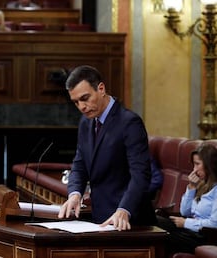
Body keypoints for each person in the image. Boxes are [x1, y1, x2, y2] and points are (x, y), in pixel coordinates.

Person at [57, 65, 156, 230]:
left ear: (101, 89)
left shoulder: (129, 122)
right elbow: (80, 164)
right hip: (100, 219)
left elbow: (141, 175)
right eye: (76, 102)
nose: (81, 107)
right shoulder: (85, 122)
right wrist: (75, 194)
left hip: (131, 222)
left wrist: (125, 209)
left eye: (85, 98)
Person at [157, 143, 217, 255]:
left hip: (204, 237)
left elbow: (214, 224)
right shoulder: (202, 184)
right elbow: (184, 211)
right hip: (190, 232)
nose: (194, 170)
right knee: (155, 221)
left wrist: (186, 223)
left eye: (197, 164)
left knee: (163, 236)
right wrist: (191, 187)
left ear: (209, 165)